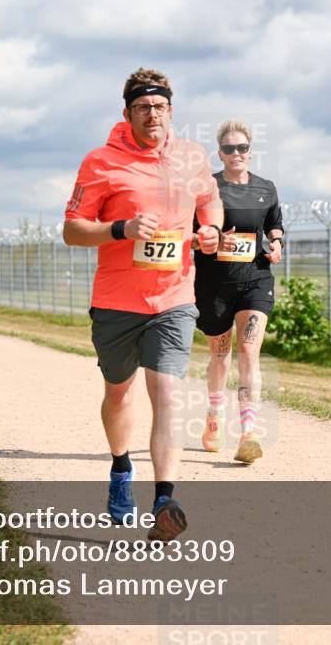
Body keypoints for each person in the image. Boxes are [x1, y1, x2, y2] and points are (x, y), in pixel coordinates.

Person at [63, 68, 224, 542]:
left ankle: (165, 500)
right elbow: (72, 230)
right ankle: (119, 469)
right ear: (127, 113)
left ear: (171, 110)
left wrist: (211, 230)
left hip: (174, 297)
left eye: (159, 107)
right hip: (116, 301)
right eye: (142, 108)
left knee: (168, 394)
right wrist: (122, 229)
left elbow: (209, 202)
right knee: (119, 394)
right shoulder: (101, 162)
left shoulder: (193, 157)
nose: (151, 115)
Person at [193, 120, 284, 464]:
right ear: (220, 153)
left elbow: (274, 225)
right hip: (214, 283)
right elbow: (192, 229)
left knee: (249, 352)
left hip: (255, 279)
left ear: (250, 151)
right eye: (229, 149)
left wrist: (277, 245)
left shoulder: (266, 188)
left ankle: (249, 432)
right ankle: (214, 416)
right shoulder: (207, 188)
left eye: (242, 148)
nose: (236, 154)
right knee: (221, 355)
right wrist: (213, 237)